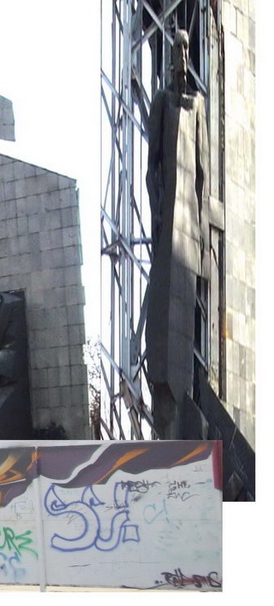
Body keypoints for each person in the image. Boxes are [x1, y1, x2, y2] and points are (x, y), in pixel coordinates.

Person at [145, 29, 209, 439]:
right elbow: (151, 165)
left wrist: (200, 228)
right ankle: (165, 411)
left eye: (187, 48)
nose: (182, 55)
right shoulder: (162, 101)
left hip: (190, 225)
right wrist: (157, 209)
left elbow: (202, 170)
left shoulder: (198, 105)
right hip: (168, 218)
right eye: (177, 49)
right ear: (170, 57)